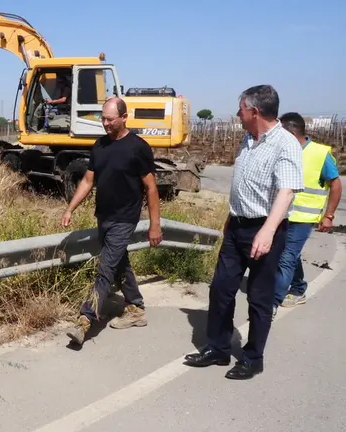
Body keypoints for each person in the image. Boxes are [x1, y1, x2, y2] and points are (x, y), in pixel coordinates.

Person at [183, 85, 303, 380]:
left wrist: (268, 231)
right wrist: (229, 217)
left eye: (241, 109)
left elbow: (286, 193)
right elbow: (244, 186)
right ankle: (218, 348)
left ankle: (253, 357)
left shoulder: (285, 144)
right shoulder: (247, 140)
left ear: (255, 111)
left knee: (259, 298)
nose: (237, 114)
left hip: (265, 229)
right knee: (221, 289)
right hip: (237, 226)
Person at [62, 96, 163, 347]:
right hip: (103, 216)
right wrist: (70, 208)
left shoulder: (138, 147)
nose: (105, 123)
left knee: (105, 269)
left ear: (124, 117)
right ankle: (136, 308)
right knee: (119, 263)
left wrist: (155, 224)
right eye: (103, 119)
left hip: (124, 218)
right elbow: (87, 181)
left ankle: (84, 320)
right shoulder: (100, 146)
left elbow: (151, 188)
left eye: (110, 119)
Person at [274, 112, 342, 312]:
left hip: (303, 218)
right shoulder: (283, 150)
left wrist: (328, 216)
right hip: (280, 215)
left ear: (292, 133)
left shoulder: (319, 154)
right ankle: (298, 289)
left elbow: (335, 185)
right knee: (288, 255)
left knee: (285, 258)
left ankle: (272, 304)